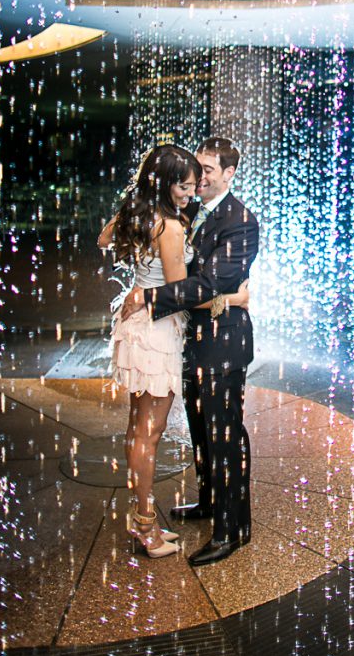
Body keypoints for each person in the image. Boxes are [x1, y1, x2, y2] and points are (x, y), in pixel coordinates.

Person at [98, 144, 248, 559]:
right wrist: (235, 299)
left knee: (137, 429)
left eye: (197, 179)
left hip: (136, 331)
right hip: (157, 334)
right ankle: (145, 527)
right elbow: (181, 293)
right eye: (184, 184)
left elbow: (104, 237)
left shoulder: (143, 215)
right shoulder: (171, 226)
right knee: (149, 432)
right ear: (166, 184)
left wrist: (135, 207)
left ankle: (142, 518)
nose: (192, 189)